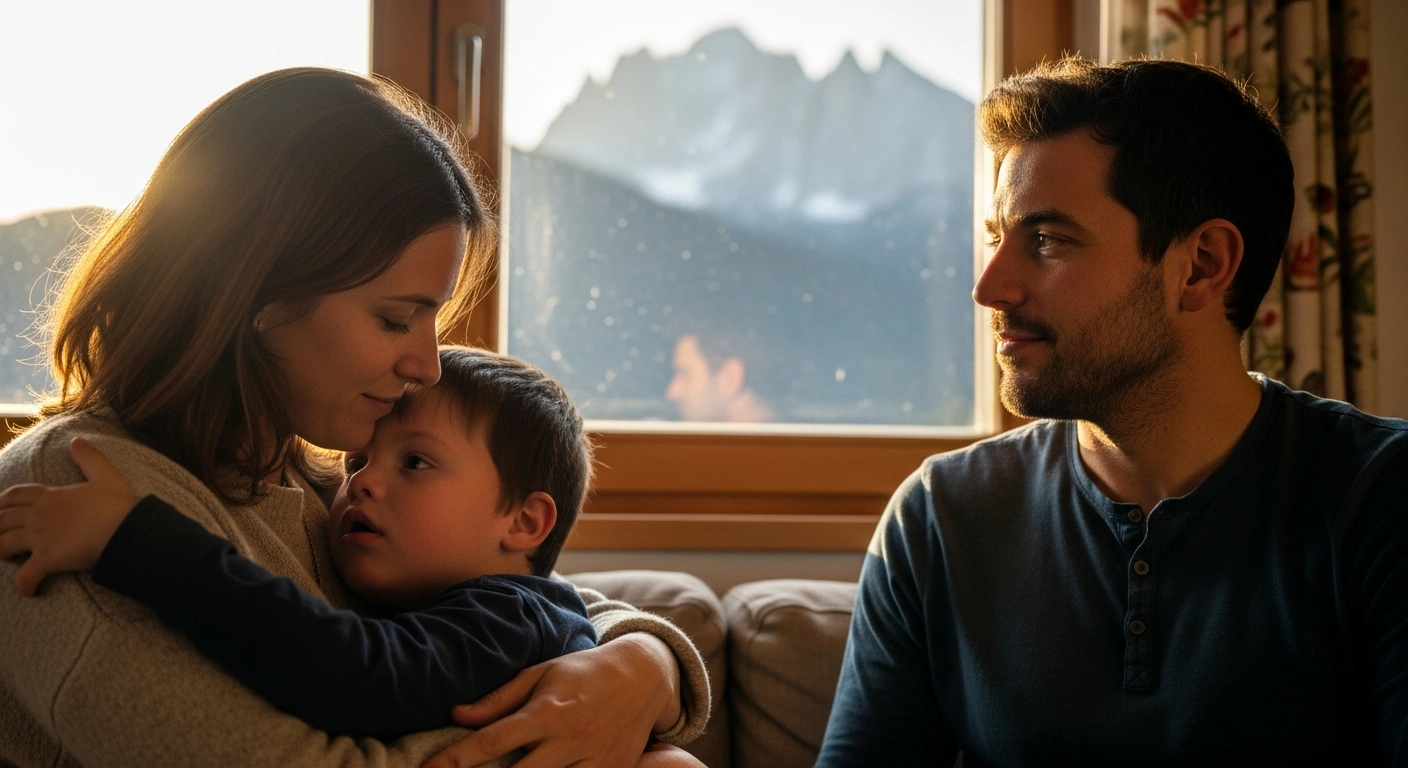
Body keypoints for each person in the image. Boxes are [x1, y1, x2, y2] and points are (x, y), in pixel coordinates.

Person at [0, 68, 707, 768]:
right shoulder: (71, 490)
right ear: (264, 298)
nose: (427, 366)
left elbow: (523, 600)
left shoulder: (310, 480)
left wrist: (644, 667)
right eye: (397, 318)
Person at [816, 57, 1408, 765]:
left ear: (1201, 265)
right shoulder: (942, 516)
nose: (989, 286)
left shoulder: (1382, 498)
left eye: (1047, 240)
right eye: (995, 237)